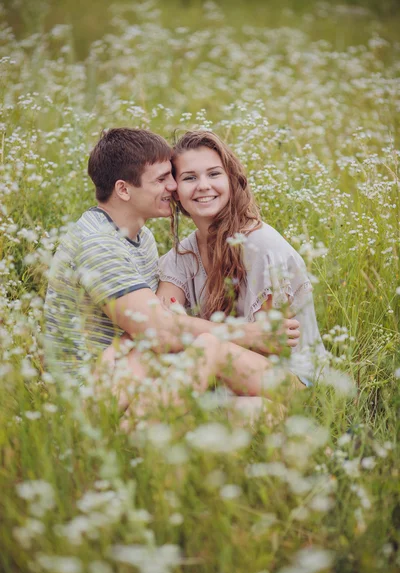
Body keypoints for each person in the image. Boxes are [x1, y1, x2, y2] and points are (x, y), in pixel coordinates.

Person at [44, 128, 301, 409]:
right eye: (163, 179)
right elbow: (159, 329)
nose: (173, 187)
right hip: (96, 388)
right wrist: (247, 333)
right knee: (246, 405)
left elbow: (159, 325)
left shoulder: (143, 240)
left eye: (173, 177)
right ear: (123, 189)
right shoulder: (100, 244)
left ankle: (136, 433)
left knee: (251, 404)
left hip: (141, 370)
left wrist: (143, 337)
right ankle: (127, 433)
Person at [158, 130, 328, 386]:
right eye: (189, 177)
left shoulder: (261, 246)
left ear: (231, 180)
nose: (203, 185)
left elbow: (270, 345)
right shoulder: (181, 255)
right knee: (245, 411)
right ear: (176, 192)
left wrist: (189, 329)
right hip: (223, 378)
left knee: (209, 348)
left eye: (214, 174)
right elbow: (161, 328)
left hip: (291, 378)